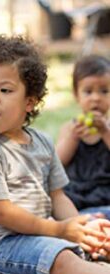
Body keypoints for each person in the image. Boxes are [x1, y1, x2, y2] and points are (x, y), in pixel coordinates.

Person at [0, 34, 110, 274]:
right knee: (62, 258)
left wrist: (80, 228)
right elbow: (3, 213)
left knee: (99, 239)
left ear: (29, 101)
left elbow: (58, 196)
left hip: (37, 234)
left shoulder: (41, 142)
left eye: (4, 90)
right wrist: (60, 231)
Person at [56, 55, 110, 218]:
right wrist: (72, 138)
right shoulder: (70, 128)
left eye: (104, 91)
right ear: (76, 95)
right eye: (88, 91)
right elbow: (57, 162)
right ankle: (89, 218)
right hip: (77, 190)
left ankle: (97, 217)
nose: (96, 98)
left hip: (106, 189)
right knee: (57, 200)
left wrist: (105, 132)